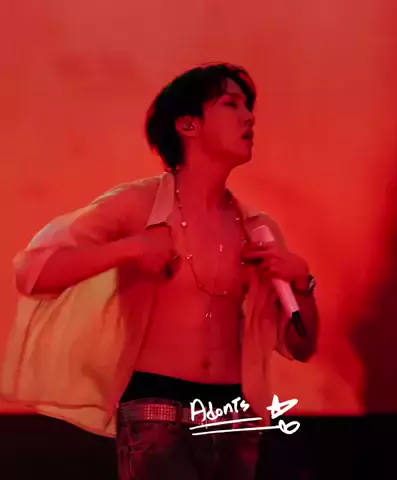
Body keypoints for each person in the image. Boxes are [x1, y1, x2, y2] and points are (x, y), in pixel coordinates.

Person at [2, 63, 319, 479]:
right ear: (188, 124)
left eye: (248, 106)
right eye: (231, 104)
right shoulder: (139, 205)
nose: (249, 117)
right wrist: (131, 248)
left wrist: (302, 284)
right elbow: (35, 272)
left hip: (231, 419)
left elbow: (301, 346)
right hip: (156, 414)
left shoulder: (257, 228)